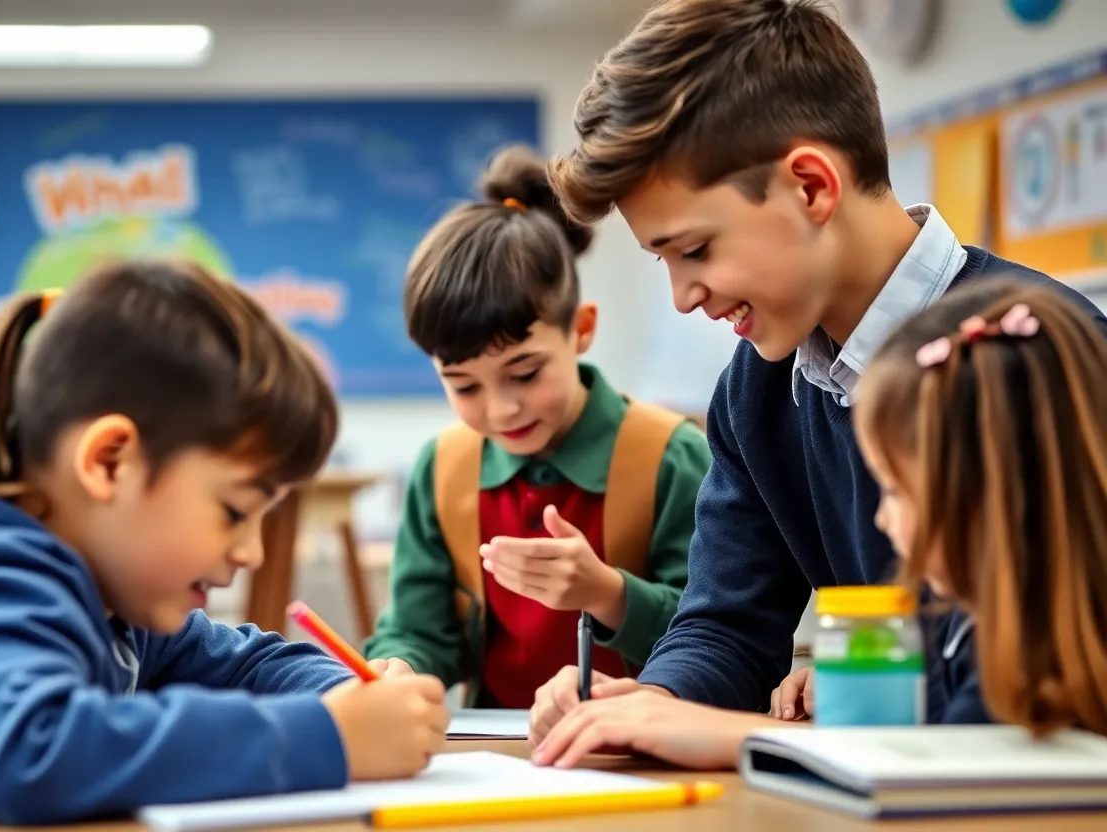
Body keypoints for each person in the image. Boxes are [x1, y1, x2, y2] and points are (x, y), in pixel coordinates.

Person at [526, 0, 1107, 758]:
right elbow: (729, 623)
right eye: (661, 260)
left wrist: (746, 736)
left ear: (810, 186)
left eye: (694, 249)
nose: (683, 295)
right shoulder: (756, 388)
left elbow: (1027, 696)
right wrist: (655, 701)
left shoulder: (1030, 364)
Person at [0, 260, 448, 830]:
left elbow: (247, 664)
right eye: (234, 511)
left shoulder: (111, 600)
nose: (251, 552)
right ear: (110, 463)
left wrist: (353, 696)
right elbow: (29, 750)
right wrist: (329, 738)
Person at [533, 279, 1107, 769]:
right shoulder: (977, 630)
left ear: (992, 493)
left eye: (898, 492)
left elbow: (946, 769)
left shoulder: (1038, 653)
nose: (879, 517)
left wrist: (742, 738)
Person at [363, 146, 710, 709]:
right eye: (464, 386)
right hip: (493, 756)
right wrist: (398, 665)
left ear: (581, 329)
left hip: (640, 750)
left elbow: (723, 634)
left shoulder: (669, 457)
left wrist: (608, 593)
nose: (501, 410)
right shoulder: (445, 468)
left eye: (524, 374)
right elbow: (419, 628)